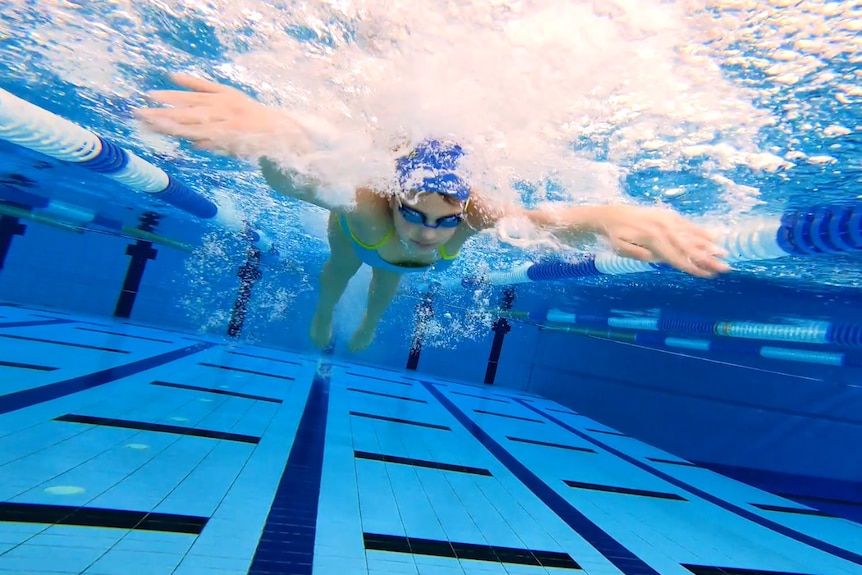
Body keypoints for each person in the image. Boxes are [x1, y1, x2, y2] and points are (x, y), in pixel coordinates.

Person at [137, 74, 730, 351]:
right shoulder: (371, 210)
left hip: (396, 267)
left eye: (445, 220)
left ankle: (366, 327)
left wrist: (603, 216)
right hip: (355, 242)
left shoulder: (472, 214)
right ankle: (324, 313)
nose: (428, 231)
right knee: (339, 273)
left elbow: (544, 220)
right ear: (396, 200)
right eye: (417, 215)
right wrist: (274, 138)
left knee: (387, 288)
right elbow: (303, 182)